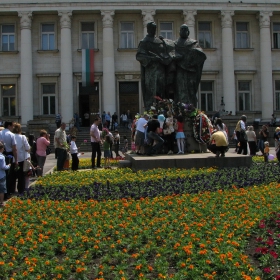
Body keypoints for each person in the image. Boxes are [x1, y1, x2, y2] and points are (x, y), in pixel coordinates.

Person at [136, 21, 174, 109]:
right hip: (151, 71)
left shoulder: (160, 41)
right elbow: (139, 56)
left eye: (154, 28)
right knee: (151, 91)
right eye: (151, 28)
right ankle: (151, 110)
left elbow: (168, 50)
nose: (153, 30)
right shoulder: (144, 42)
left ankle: (162, 108)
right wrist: (151, 58)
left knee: (161, 89)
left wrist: (164, 42)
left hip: (161, 70)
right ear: (148, 29)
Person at [174, 24, 206, 105]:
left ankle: (190, 108)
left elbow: (200, 55)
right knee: (180, 89)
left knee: (191, 90)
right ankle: (181, 107)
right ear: (179, 31)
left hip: (191, 71)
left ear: (188, 32)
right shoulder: (175, 44)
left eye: (185, 29)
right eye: (182, 29)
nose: (184, 31)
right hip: (179, 70)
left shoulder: (194, 43)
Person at [12, 123, 30, 194]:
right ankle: (21, 190)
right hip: (21, 158)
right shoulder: (23, 137)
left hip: (12, 158)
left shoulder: (12, 136)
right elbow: (27, 147)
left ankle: (12, 190)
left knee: (12, 176)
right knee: (21, 176)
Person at [1, 121, 17, 199]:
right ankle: (7, 193)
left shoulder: (0, 133)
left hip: (1, 153)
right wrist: (16, 159)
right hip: (9, 155)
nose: (13, 127)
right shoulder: (11, 135)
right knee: (9, 175)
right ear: (9, 126)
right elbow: (14, 148)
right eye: (12, 126)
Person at [0, 142, 11, 207]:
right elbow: (3, 167)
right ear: (1, 148)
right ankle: (1, 202)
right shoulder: (2, 157)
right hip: (1, 175)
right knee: (2, 190)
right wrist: (9, 165)